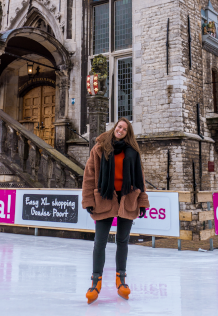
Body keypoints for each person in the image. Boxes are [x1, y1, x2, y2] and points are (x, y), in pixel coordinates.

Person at [82, 118, 150, 304]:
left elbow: (140, 177)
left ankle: (121, 280)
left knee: (122, 241)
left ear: (128, 133)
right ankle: (96, 281)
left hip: (128, 198)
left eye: (125, 129)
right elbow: (89, 176)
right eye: (119, 127)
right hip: (104, 198)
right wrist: (88, 199)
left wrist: (142, 201)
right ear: (114, 128)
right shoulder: (99, 148)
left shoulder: (133, 152)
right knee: (100, 242)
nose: (121, 130)